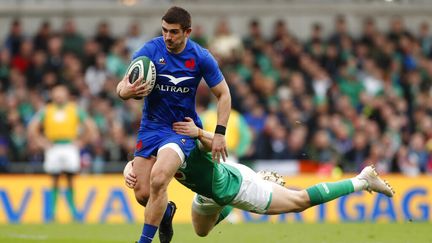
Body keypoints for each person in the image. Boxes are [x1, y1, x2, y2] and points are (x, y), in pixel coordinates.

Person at [124, 117, 395, 238]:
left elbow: (219, 143)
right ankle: (254, 184)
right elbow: (144, 162)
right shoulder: (161, 143)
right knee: (201, 232)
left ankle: (362, 179)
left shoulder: (187, 134)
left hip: (236, 185)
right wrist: (129, 169)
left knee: (300, 200)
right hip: (209, 194)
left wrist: (199, 133)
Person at [115, 6, 231, 243]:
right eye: (165, 30)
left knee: (159, 179)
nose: (168, 36)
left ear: (187, 32)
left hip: (181, 129)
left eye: (174, 32)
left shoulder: (200, 57)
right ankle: (166, 213)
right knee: (143, 194)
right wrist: (124, 91)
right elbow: (122, 86)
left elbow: (224, 94)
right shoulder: (149, 51)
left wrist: (219, 133)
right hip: (151, 127)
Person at [27, 84, 98, 221]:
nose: (59, 96)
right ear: (53, 95)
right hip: (53, 146)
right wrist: (41, 142)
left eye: (61, 93)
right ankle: (52, 212)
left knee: (70, 178)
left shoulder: (74, 109)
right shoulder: (47, 110)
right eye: (56, 93)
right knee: (54, 178)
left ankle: (73, 211)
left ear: (66, 95)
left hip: (69, 146)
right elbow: (32, 127)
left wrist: (82, 141)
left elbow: (90, 125)